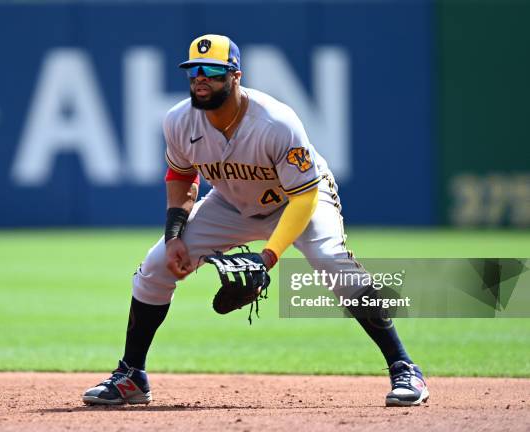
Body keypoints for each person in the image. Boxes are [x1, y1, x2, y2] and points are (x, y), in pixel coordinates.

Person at [82, 34, 429, 407]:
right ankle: (131, 376)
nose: (201, 78)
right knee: (154, 268)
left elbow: (304, 196)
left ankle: (404, 368)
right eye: (193, 70)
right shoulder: (179, 121)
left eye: (213, 71)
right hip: (230, 203)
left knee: (331, 263)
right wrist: (174, 236)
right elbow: (182, 176)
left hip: (295, 199)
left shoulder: (276, 122)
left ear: (235, 76)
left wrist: (268, 258)